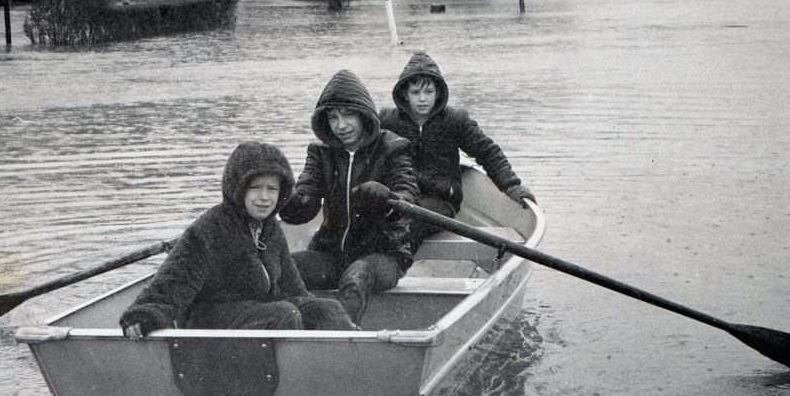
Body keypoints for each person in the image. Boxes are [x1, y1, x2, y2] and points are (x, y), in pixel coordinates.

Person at [119, 141, 357, 339]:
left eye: (272, 189)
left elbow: (292, 285)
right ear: (238, 189)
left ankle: (345, 370)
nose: (264, 198)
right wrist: (144, 315)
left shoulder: (270, 229)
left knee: (328, 308)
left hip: (259, 309)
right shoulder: (209, 230)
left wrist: (315, 311)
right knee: (285, 314)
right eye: (255, 188)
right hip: (211, 318)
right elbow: (172, 283)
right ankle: (290, 385)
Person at [279, 69, 420, 325]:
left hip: (383, 256)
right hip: (331, 254)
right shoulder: (320, 153)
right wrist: (288, 201)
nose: (340, 126)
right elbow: (305, 199)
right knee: (282, 269)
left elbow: (408, 197)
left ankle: (339, 336)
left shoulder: (393, 147)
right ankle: (293, 326)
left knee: (357, 276)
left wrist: (387, 198)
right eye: (332, 117)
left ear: (364, 114)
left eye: (348, 115)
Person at [379, 50, 536, 252]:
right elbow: (361, 143)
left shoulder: (455, 120)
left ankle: (394, 262)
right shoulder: (388, 120)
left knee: (411, 222)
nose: (422, 99)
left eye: (428, 92)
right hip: (401, 193)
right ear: (404, 95)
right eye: (415, 93)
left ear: (438, 93)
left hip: (441, 198)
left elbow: (487, 151)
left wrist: (511, 186)